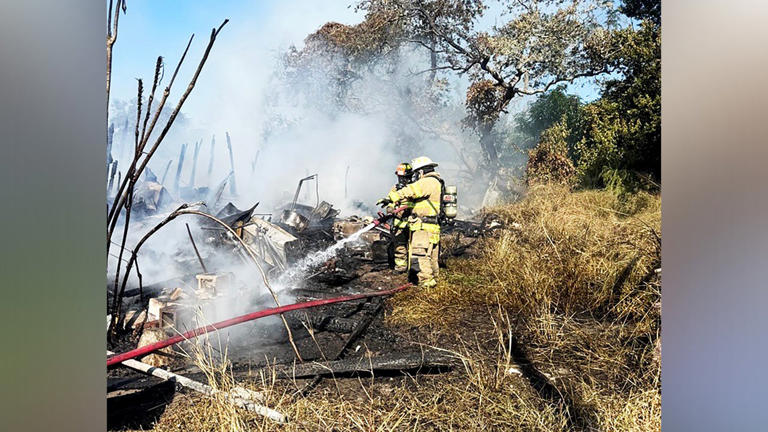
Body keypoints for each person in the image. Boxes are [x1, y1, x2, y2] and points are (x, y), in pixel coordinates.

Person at [378, 156, 442, 288]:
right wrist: (391, 206)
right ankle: (434, 281)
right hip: (425, 225)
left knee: (420, 254)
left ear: (420, 172)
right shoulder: (435, 181)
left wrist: (390, 198)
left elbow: (411, 191)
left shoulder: (427, 182)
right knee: (430, 254)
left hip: (423, 226)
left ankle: (426, 284)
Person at [377, 162, 414, 272]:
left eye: (404, 177)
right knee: (399, 247)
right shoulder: (395, 188)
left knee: (414, 247)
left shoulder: (414, 187)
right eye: (400, 177)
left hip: (412, 222)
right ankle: (401, 268)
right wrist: (390, 209)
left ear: (410, 176)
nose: (402, 179)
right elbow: (390, 201)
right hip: (399, 224)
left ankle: (414, 268)